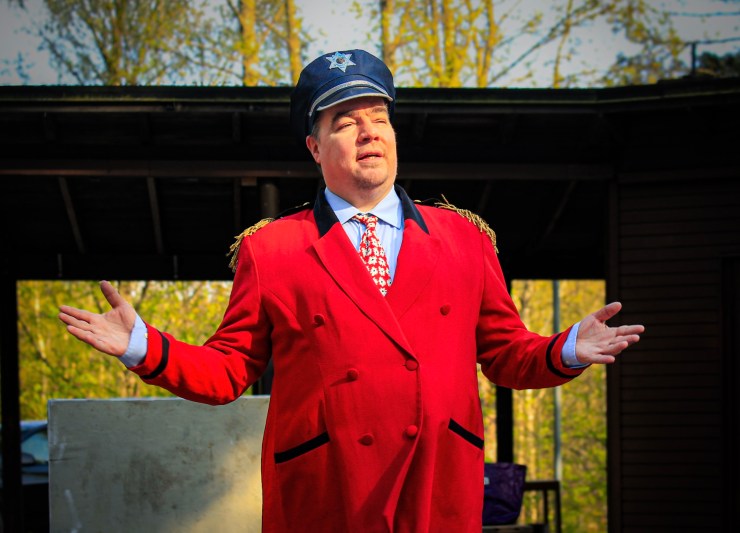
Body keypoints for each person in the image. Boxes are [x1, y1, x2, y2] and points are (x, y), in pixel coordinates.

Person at [59, 49, 644, 532]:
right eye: (344, 122)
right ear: (314, 148)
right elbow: (229, 370)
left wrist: (567, 348)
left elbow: (507, 354)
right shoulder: (272, 249)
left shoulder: (465, 238)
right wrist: (143, 345)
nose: (368, 133)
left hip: (436, 490)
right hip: (327, 494)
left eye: (378, 118)